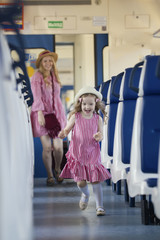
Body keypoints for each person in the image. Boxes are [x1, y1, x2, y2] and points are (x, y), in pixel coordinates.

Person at [58, 86, 111, 216]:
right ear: (80, 103)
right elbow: (67, 129)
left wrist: (99, 136)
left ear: (96, 104)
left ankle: (100, 206)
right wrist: (63, 133)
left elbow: (101, 133)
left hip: (92, 151)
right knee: (81, 182)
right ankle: (85, 194)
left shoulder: (97, 118)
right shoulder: (75, 117)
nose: (87, 107)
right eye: (85, 104)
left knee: (95, 180)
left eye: (91, 104)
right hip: (78, 152)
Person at [30, 50, 67, 186]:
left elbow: (56, 97)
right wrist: (39, 113)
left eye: (50, 60)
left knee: (58, 147)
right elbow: (37, 95)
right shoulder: (37, 76)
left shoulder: (54, 75)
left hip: (56, 115)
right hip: (42, 114)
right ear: (41, 63)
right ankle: (50, 175)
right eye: (45, 61)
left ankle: (57, 169)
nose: (48, 63)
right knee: (46, 148)